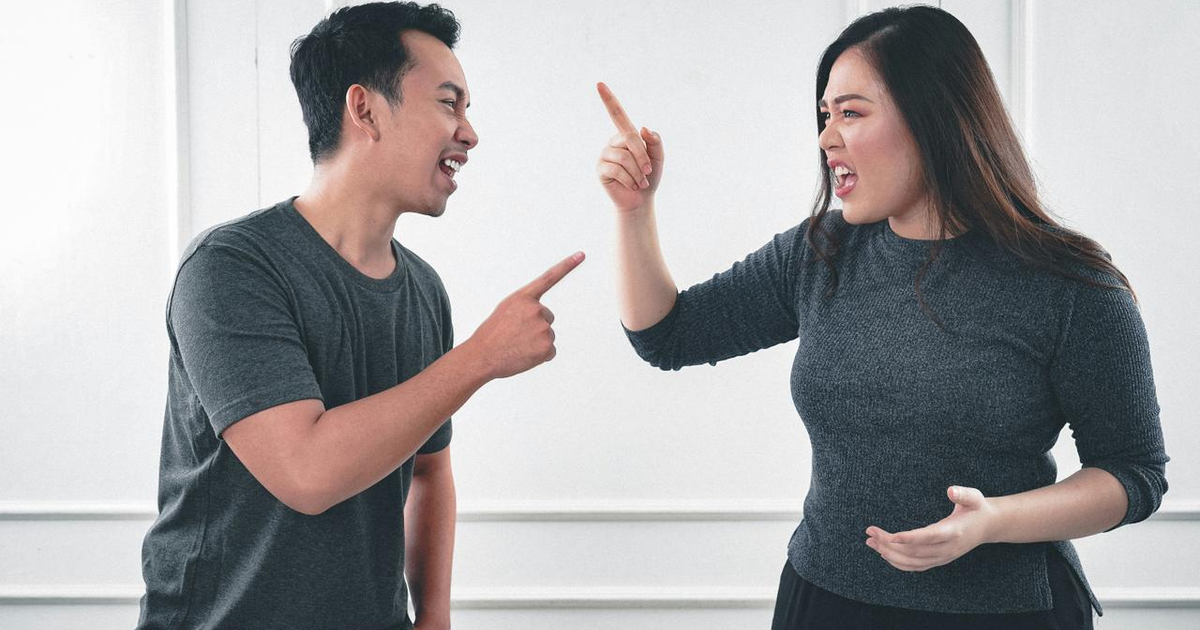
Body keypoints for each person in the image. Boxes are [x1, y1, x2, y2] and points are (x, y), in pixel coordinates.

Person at [595, 6, 1167, 630]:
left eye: (850, 113)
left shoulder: (1071, 286)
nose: (825, 139)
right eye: (824, 116)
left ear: (934, 119)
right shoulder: (820, 253)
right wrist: (634, 211)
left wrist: (993, 522)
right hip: (823, 601)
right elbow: (668, 335)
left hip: (1005, 612)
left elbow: (1132, 473)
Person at [138, 3, 583, 629]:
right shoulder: (230, 267)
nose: (470, 133)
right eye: (449, 104)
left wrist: (433, 616)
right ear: (365, 109)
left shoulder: (423, 290)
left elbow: (429, 470)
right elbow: (306, 472)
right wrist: (480, 358)